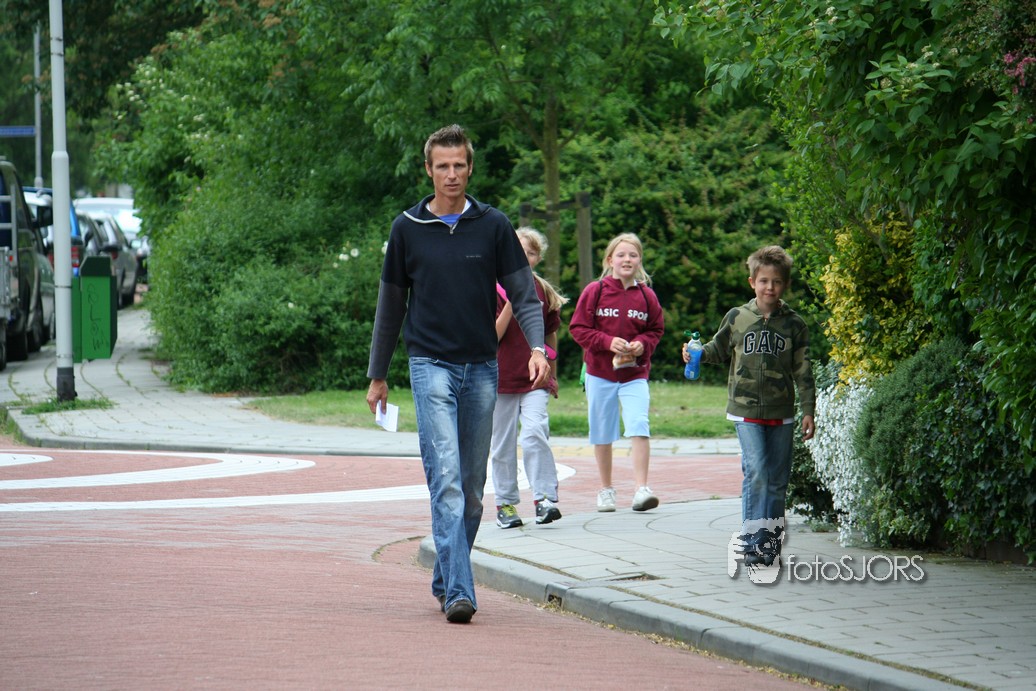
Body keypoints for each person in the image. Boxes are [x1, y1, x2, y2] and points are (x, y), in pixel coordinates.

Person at [365, 124, 551, 624]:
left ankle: (446, 575)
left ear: (470, 169)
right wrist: (378, 374)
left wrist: (538, 348)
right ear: (428, 170)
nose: (451, 174)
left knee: (471, 491)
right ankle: (460, 593)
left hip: (482, 368)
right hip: (429, 364)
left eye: (459, 165)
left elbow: (525, 294)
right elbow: (390, 305)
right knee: (445, 478)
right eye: (442, 166)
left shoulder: (493, 225)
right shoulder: (407, 228)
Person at [683, 245, 816, 566]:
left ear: (785, 284)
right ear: (752, 282)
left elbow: (803, 369)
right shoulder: (737, 317)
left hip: (781, 412)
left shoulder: (794, 325)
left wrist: (808, 409)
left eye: (777, 281)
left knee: (777, 479)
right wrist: (694, 352)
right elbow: (717, 349)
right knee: (756, 471)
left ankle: (769, 543)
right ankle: (753, 539)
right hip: (744, 409)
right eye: (764, 281)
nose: (770, 287)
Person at [569, 232, 665, 513]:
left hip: (635, 374)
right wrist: (607, 342)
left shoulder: (647, 296)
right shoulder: (595, 291)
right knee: (602, 430)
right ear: (610, 260)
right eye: (621, 255)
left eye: (633, 255)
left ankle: (642, 489)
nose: (627, 259)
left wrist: (642, 344)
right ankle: (606, 490)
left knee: (639, 423)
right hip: (600, 373)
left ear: (639, 261)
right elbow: (578, 328)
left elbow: (656, 330)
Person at [490, 227, 568, 529]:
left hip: (535, 380)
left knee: (535, 432)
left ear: (538, 258)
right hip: (500, 381)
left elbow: (550, 334)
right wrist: (513, 302)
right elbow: (492, 336)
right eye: (518, 251)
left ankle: (544, 499)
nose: (524, 257)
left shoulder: (542, 290)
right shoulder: (492, 288)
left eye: (531, 252)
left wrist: (552, 373)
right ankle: (506, 504)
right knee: (502, 443)